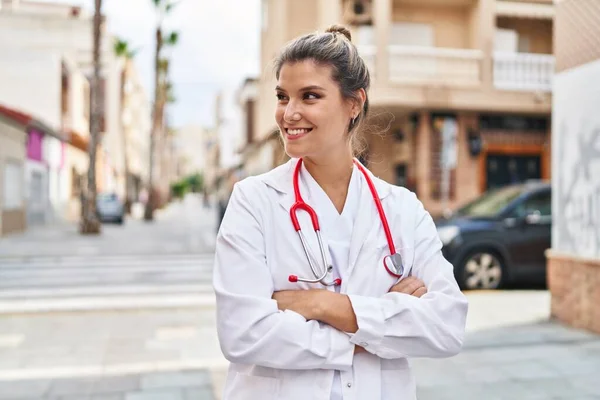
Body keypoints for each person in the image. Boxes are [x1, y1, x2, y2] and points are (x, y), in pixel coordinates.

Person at [213, 25, 468, 400]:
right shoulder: (254, 201)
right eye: (283, 97)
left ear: (354, 103)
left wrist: (320, 304)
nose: (289, 113)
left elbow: (447, 326)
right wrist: (372, 330)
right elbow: (243, 332)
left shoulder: (401, 209)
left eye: (310, 96)